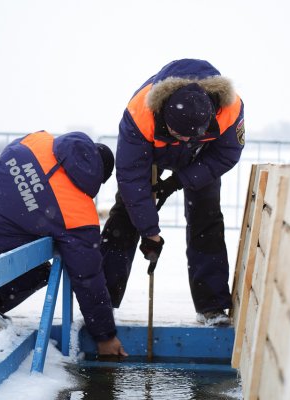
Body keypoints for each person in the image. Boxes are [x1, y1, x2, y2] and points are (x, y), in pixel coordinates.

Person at [0, 130, 127, 356]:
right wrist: (105, 336)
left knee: (7, 223)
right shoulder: (78, 213)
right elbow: (88, 279)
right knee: (41, 268)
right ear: (99, 177)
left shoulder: (39, 141)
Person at [100, 59, 245, 326]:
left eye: (192, 135)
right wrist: (150, 232)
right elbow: (132, 177)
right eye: (179, 134)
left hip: (202, 158)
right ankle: (102, 302)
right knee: (127, 214)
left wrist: (180, 180)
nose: (185, 141)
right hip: (150, 151)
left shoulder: (230, 109)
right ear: (164, 114)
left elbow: (226, 154)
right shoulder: (139, 113)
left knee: (207, 217)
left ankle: (212, 306)